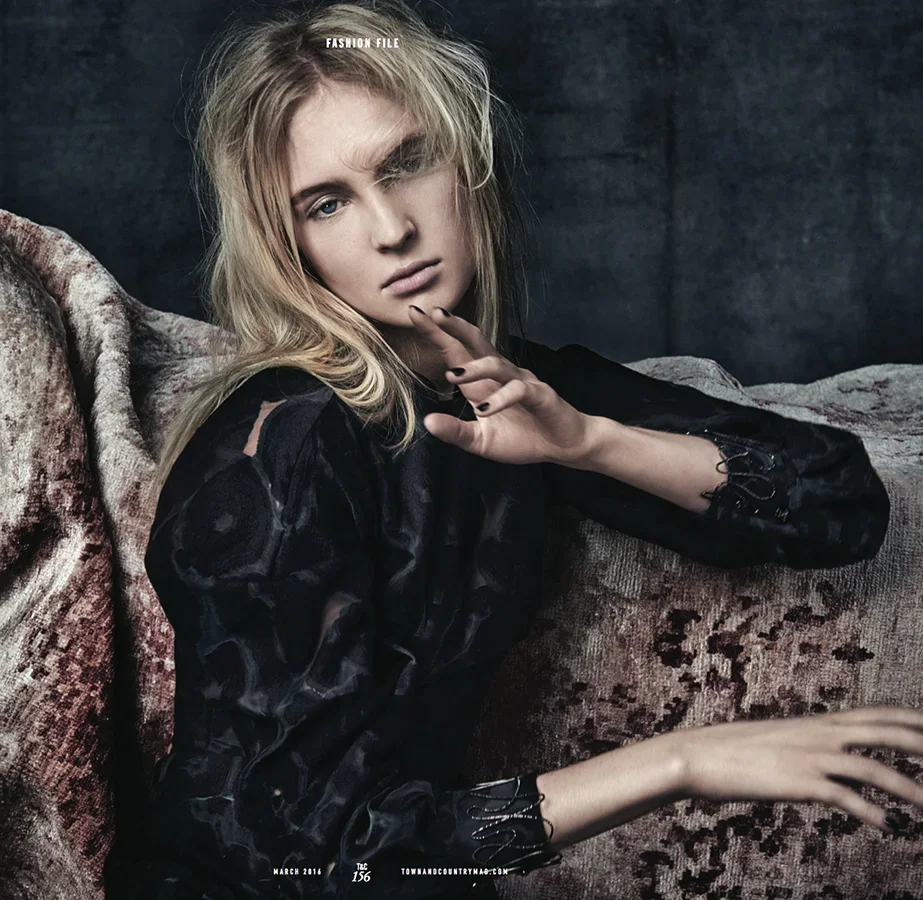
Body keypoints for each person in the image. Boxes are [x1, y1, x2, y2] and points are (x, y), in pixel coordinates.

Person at [106, 2, 922, 898]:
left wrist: (587, 441)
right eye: (327, 202)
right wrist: (684, 763)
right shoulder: (285, 446)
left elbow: (839, 505)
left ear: (468, 159)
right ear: (286, 243)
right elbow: (314, 858)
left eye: (405, 162)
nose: (390, 229)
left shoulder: (511, 385)